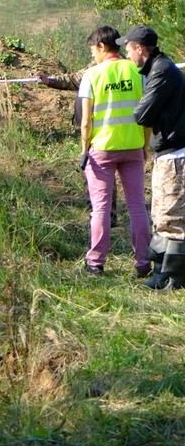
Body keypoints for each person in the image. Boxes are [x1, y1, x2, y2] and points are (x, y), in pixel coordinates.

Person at [77, 26, 151, 276]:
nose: (92, 56)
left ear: (101, 46)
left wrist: (84, 149)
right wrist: (144, 145)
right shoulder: (138, 70)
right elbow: (147, 114)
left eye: (92, 50)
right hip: (133, 146)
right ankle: (143, 263)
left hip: (102, 149)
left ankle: (95, 263)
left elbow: (86, 121)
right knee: (138, 207)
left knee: (101, 208)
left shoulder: (92, 75)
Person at [118, 24, 185, 290]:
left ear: (140, 49)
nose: (127, 55)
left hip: (175, 154)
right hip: (167, 151)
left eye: (128, 49)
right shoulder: (159, 69)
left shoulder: (162, 71)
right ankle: (161, 273)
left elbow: (142, 115)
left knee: (173, 215)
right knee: (160, 213)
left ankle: (174, 278)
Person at [37, 66, 118, 226]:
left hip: (101, 130)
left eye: (93, 48)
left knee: (99, 172)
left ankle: (104, 215)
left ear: (102, 47)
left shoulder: (103, 68)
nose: (91, 52)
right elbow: (75, 78)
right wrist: (50, 80)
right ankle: (103, 213)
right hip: (102, 129)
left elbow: (76, 78)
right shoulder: (101, 67)